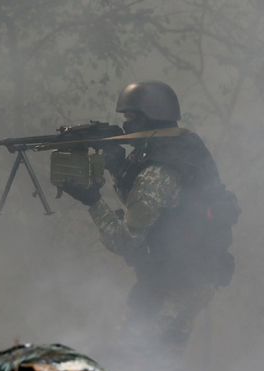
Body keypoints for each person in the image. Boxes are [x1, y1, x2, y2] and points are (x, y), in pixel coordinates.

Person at [61, 81, 240, 354]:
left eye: (131, 118)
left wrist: (92, 201)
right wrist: (117, 165)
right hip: (190, 274)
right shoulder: (183, 147)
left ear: (150, 117)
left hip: (179, 283)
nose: (125, 126)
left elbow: (126, 241)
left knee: (128, 356)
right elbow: (150, 204)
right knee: (162, 359)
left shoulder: (158, 170)